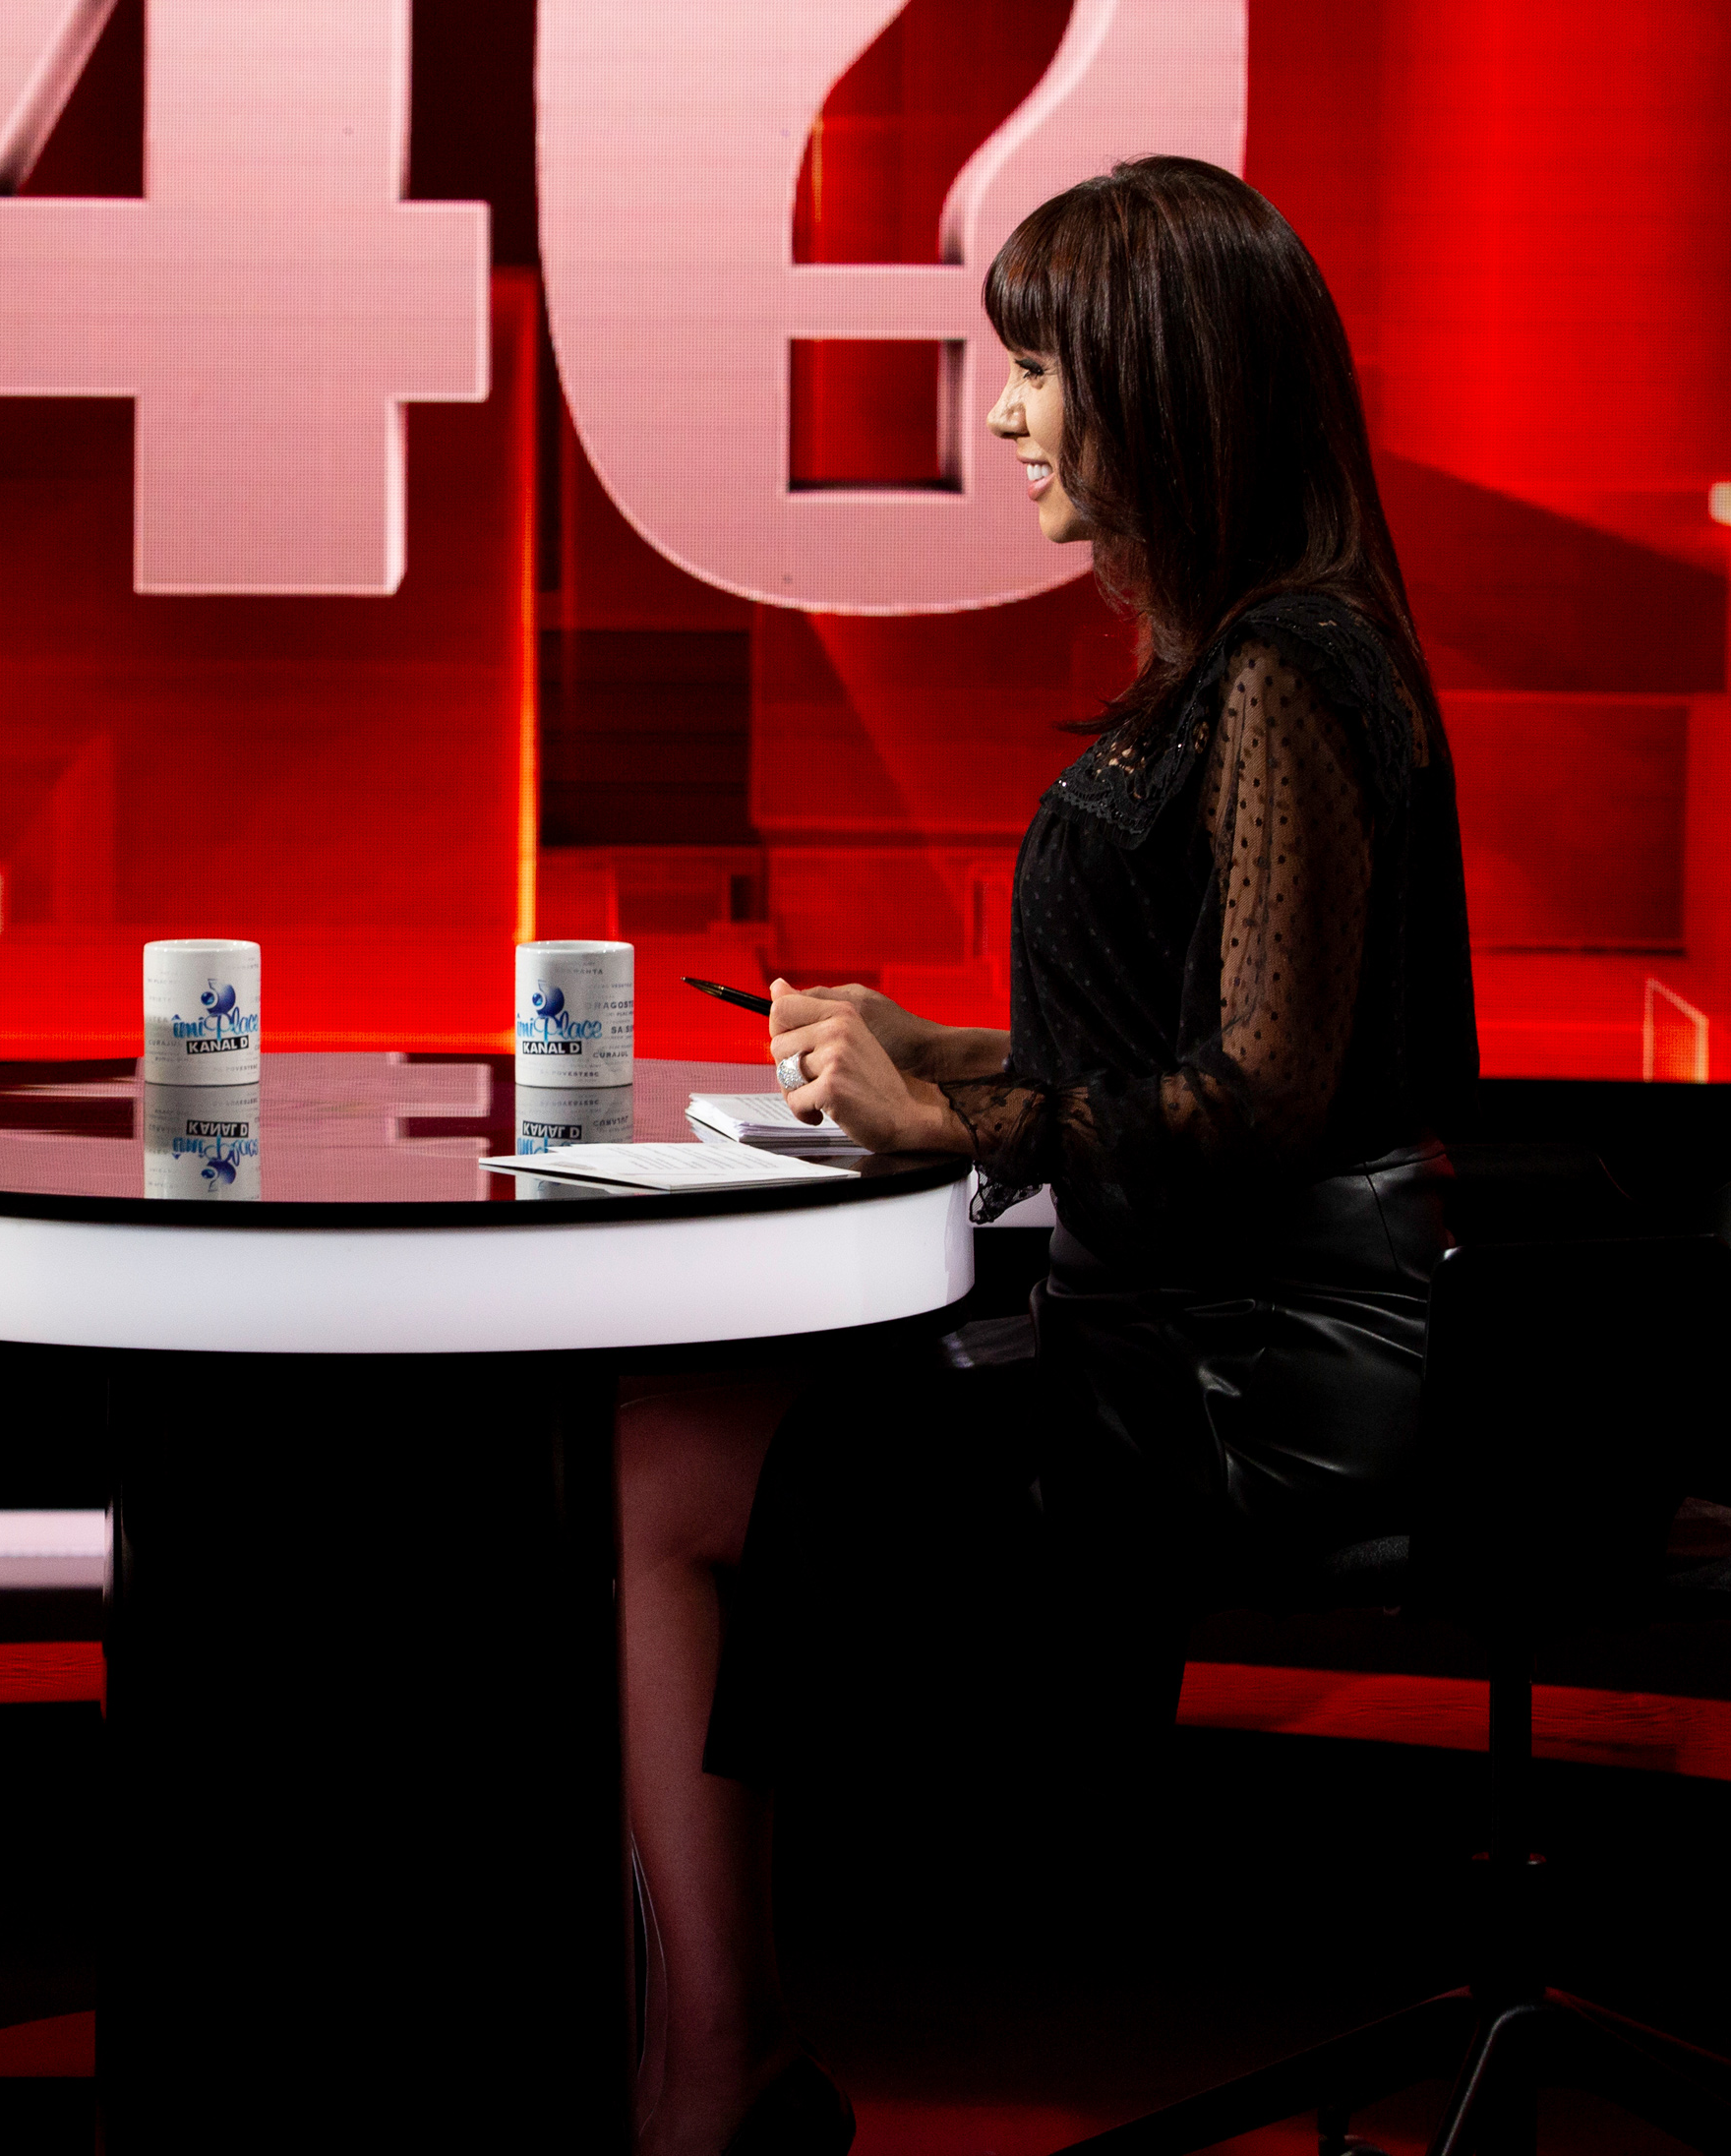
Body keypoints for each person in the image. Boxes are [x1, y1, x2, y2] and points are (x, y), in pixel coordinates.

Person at [616, 157, 1476, 2156]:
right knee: (674, 1446)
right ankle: (723, 2049)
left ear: (1165, 387)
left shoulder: (1282, 674)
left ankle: (712, 2066)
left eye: (1038, 369)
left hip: (1253, 1385)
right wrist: (955, 1048)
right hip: (1216, 1337)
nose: (1004, 416)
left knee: (663, 1467)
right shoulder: (1265, 657)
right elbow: (1224, 1047)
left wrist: (954, 1123)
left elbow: (1261, 1103)